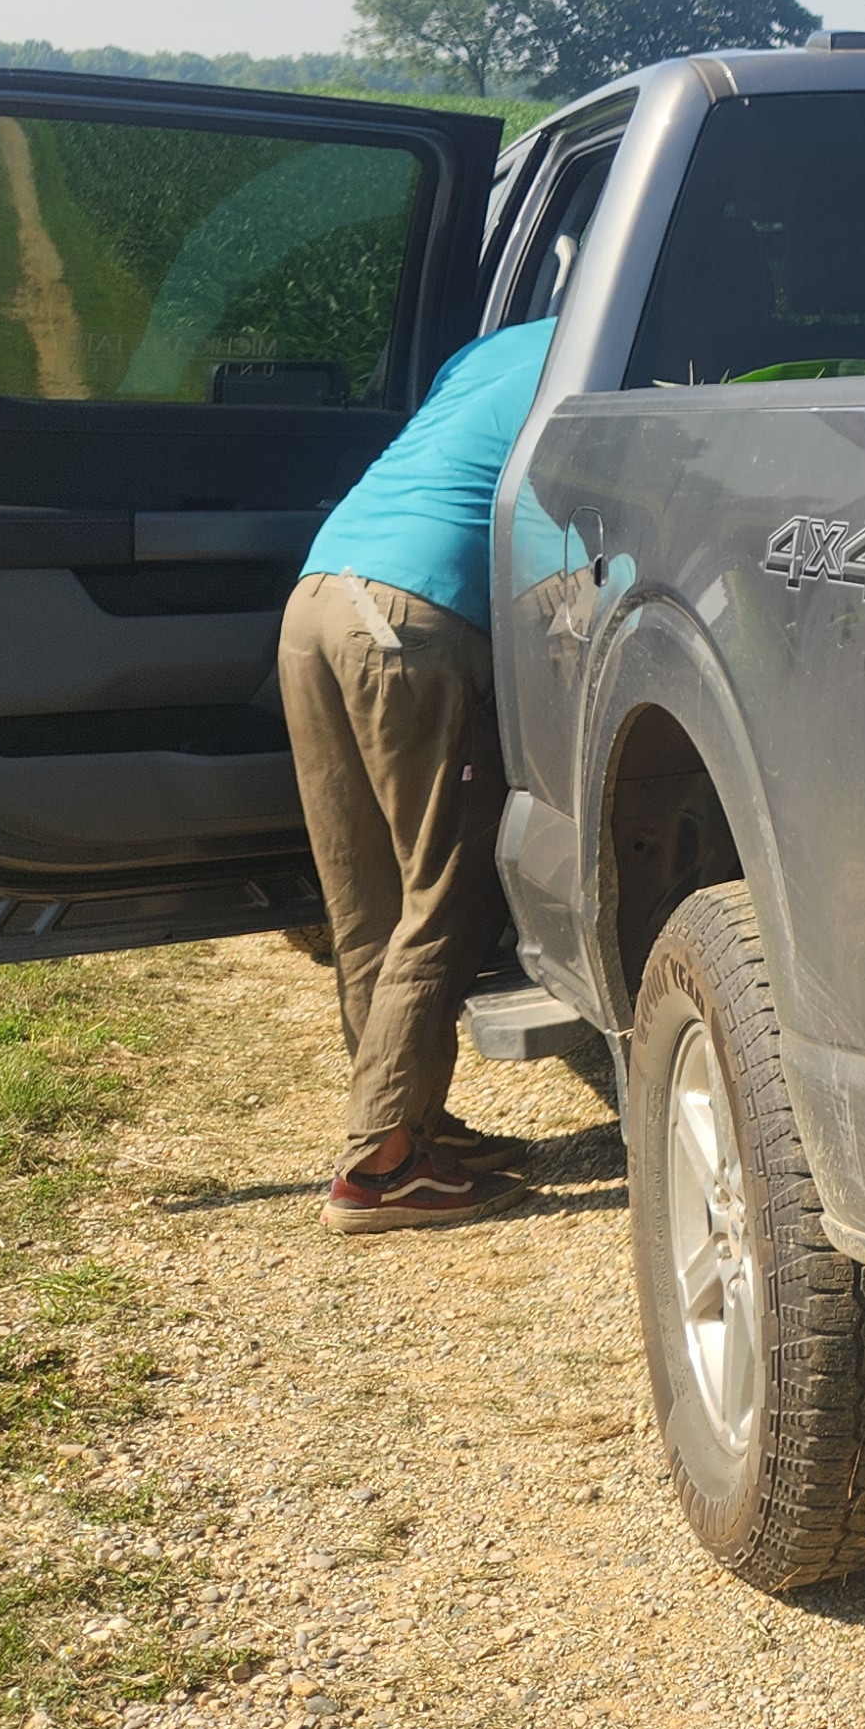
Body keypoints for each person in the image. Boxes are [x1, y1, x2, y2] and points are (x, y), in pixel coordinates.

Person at [280, 309, 562, 1234]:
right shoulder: (616, 347)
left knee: (367, 897)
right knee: (445, 889)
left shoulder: (494, 347)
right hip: (412, 618)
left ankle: (412, 1127)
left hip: (319, 596)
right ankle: (380, 1164)